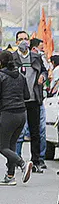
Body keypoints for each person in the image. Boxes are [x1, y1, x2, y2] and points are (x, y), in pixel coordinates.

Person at [14, 31, 46, 172]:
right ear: (16, 42)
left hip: (34, 99)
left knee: (35, 132)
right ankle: (16, 159)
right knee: (18, 133)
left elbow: (44, 71)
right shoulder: (12, 58)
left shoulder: (36, 57)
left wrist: (43, 77)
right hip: (17, 100)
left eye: (26, 39)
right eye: (21, 39)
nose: (23, 42)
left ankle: (36, 161)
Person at [0, 50, 32, 185]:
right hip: (22, 114)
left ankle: (22, 164)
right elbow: (27, 96)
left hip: (8, 114)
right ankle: (10, 175)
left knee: (2, 146)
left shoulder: (1, 76)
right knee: (11, 145)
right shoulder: (20, 76)